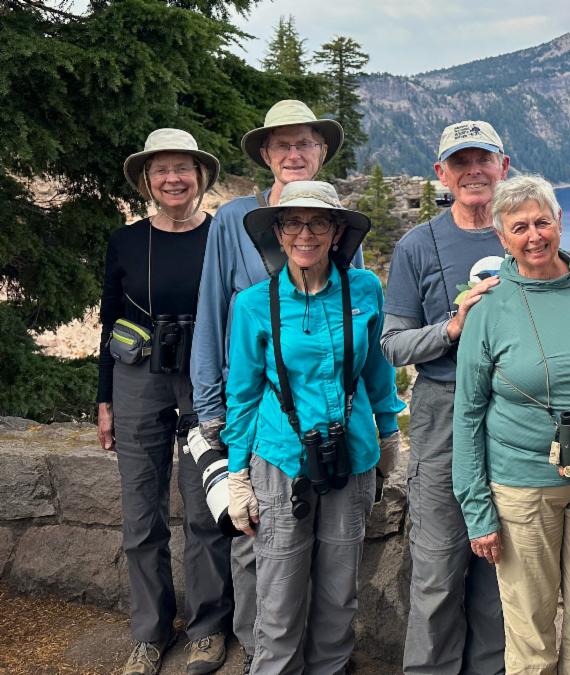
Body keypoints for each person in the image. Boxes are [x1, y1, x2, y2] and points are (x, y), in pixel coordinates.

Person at [381, 120, 570, 674]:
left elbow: (561, 296)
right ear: (442, 174)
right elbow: (392, 345)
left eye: (483, 159)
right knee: (439, 562)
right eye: (460, 163)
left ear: (503, 166)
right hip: (444, 410)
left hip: (519, 416)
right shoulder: (418, 246)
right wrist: (452, 329)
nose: (473, 171)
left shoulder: (529, 232)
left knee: (501, 570)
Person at [190, 99, 361, 674]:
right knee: (255, 546)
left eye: (304, 142)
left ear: (321, 150)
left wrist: (379, 430)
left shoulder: (334, 222)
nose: (293, 153)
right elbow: (214, 313)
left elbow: (351, 329)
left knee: (322, 567)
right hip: (259, 419)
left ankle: (304, 656)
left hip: (330, 423)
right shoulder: (233, 221)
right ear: (265, 153)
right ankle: (259, 651)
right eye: (282, 144)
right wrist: (213, 413)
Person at [221, 180, 404, 674]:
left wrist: (389, 433)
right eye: (293, 223)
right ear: (278, 233)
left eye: (318, 222)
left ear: (336, 231)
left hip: (352, 454)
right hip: (281, 460)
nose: (306, 234)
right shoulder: (253, 304)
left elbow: (377, 371)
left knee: (339, 592)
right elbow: (242, 394)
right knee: (279, 593)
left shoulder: (364, 290)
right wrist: (237, 474)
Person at [453, 175, 570, 675]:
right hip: (522, 489)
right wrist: (477, 510)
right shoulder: (488, 306)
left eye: (542, 222)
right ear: (501, 237)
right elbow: (468, 412)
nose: (534, 236)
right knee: (531, 629)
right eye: (519, 227)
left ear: (559, 222)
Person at [99, 128, 228, 675]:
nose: (172, 179)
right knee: (140, 510)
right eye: (161, 170)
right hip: (138, 377)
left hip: (206, 376)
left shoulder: (224, 236)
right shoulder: (125, 241)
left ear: (200, 176)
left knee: (206, 507)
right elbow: (109, 322)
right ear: (147, 181)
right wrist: (104, 398)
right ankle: (150, 633)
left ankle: (207, 627)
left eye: (182, 168)